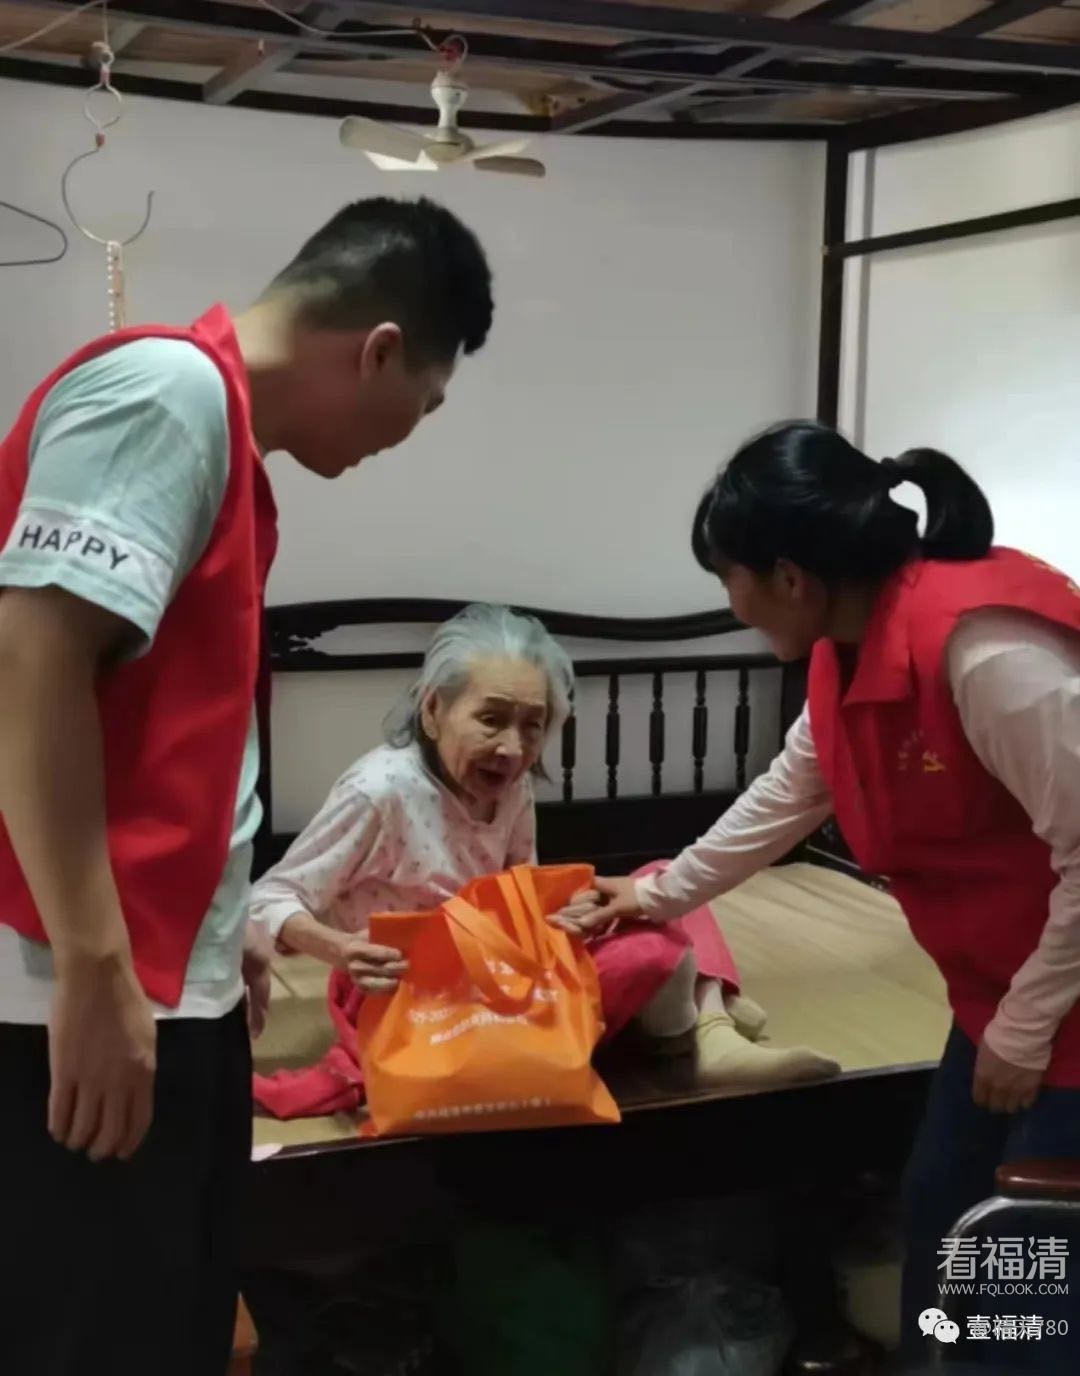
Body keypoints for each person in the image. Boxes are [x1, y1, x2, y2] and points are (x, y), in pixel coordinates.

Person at [0, 196, 493, 1376]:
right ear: (379, 348)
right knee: (98, 1331)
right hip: (75, 987)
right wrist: (96, 964)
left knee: (168, 1318)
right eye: (424, 404)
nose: (407, 436)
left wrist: (225, 934)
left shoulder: (223, 436)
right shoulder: (166, 393)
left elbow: (163, 728)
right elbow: (32, 657)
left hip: (169, 980)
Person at [558, 422, 1080, 1373]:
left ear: (789, 577)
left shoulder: (986, 651)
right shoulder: (849, 650)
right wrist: (658, 894)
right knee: (942, 1222)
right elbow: (791, 791)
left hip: (1056, 1005)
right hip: (999, 996)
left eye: (730, 578)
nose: (731, 603)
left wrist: (1024, 1028)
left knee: (1028, 1283)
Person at [250, 603, 830, 1110]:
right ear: (431, 710)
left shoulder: (514, 787)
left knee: (660, 882)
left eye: (534, 726)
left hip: (500, 973)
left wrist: (564, 918)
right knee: (653, 950)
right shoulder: (378, 794)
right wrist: (339, 948)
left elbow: (516, 898)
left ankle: (705, 1018)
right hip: (416, 999)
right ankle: (700, 1019)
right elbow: (269, 897)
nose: (512, 747)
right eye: (491, 719)